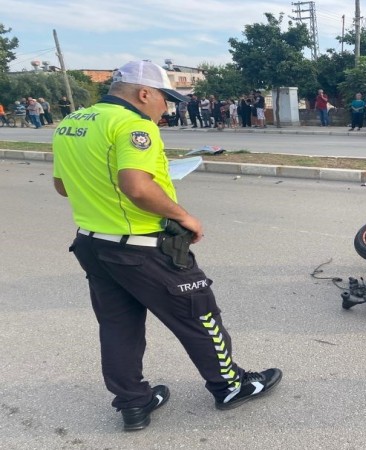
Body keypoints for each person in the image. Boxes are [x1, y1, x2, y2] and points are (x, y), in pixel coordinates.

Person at [51, 60, 282, 431]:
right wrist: (183, 215)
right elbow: (137, 187)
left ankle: (133, 403)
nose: (167, 108)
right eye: (165, 99)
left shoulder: (71, 123)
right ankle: (231, 386)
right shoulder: (134, 126)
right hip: (143, 246)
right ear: (144, 93)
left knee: (118, 326)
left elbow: (63, 186)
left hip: (92, 243)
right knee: (200, 313)